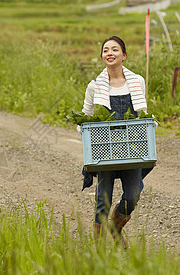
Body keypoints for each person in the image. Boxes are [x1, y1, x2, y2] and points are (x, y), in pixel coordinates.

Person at [80, 36, 153, 247]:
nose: (109, 53)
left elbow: (141, 114)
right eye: (105, 50)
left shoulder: (137, 81)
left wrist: (150, 123)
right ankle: (99, 249)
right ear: (102, 56)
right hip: (105, 149)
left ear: (124, 54)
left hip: (131, 149)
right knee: (103, 200)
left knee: (133, 195)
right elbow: (86, 116)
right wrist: (86, 133)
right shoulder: (94, 87)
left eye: (114, 49)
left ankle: (115, 227)